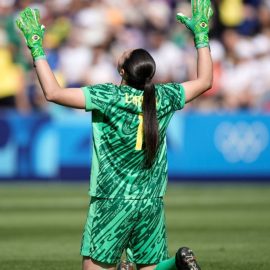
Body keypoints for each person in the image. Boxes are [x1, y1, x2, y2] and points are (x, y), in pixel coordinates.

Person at [16, 1, 213, 270]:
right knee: (148, 267)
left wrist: (37, 49)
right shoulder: (164, 96)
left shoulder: (108, 96)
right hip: (150, 201)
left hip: (112, 200)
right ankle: (175, 265)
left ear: (122, 72)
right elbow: (205, 82)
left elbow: (53, 93)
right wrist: (201, 35)